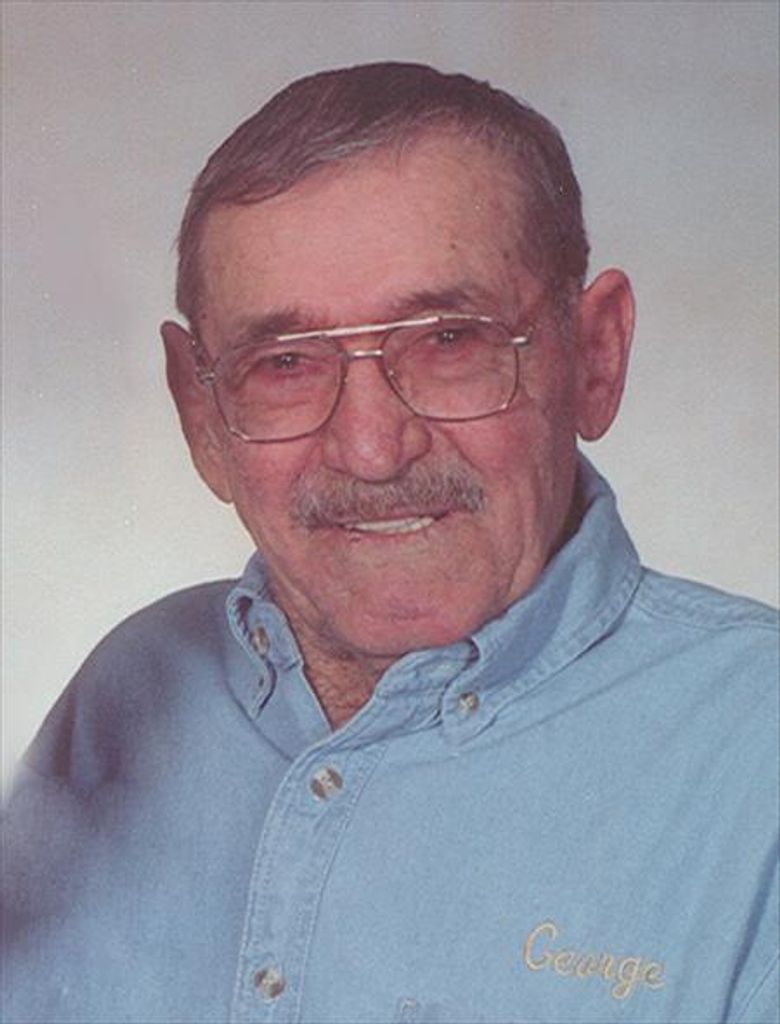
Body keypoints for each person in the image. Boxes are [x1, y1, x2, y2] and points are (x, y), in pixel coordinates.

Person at [2, 62, 777, 1024]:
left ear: (596, 355)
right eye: (285, 363)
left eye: (449, 341)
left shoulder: (760, 753)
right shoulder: (132, 690)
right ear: (201, 416)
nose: (371, 450)